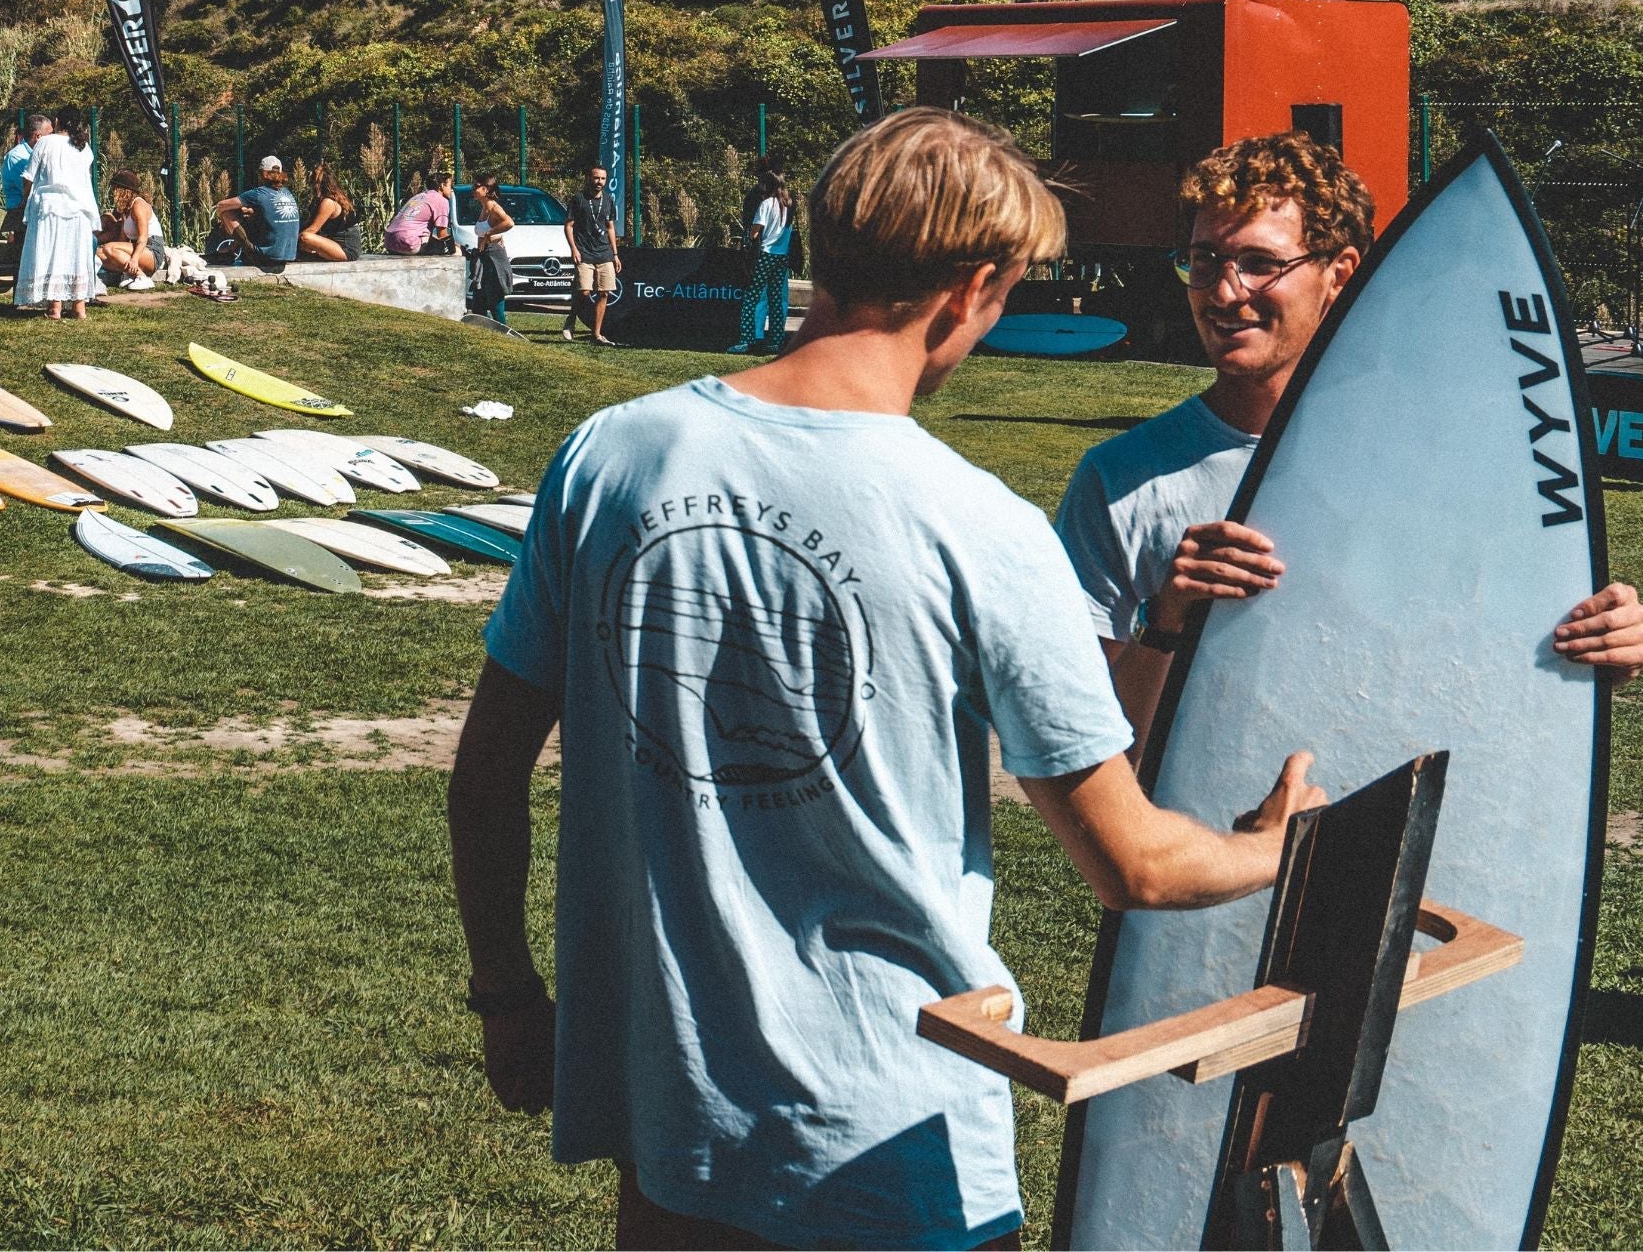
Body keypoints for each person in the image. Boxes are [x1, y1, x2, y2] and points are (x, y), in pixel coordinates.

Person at [448, 107, 1325, 1250]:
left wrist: (509, 998)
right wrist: (1276, 842)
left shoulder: (611, 452)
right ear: (970, 287)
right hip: (893, 1134)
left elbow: (483, 777)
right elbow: (1132, 863)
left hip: (672, 1124)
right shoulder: (977, 526)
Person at [1053, 131, 1643, 752]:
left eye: (1260, 264)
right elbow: (1082, 748)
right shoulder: (1120, 478)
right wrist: (1168, 621)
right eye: (1204, 261)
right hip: (1204, 843)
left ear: (1339, 274)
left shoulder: (1444, 461)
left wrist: (1600, 643)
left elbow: (1487, 666)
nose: (1225, 292)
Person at [15, 106, 99, 321]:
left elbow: (29, 177)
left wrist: (24, 201)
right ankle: (79, 308)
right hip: (78, 209)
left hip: (51, 208)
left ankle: (55, 308)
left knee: (53, 254)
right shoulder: (84, 147)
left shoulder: (46, 142)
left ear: (58, 120)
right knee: (75, 256)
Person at [727, 168, 792, 356]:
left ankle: (747, 339)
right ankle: (775, 341)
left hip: (765, 254)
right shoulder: (788, 204)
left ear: (767, 185)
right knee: (776, 299)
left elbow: (756, 230)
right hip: (782, 255)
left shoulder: (766, 204)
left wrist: (749, 237)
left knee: (752, 297)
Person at [562, 164, 623, 345]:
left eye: (603, 179)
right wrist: (574, 249)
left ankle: (596, 334)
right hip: (584, 252)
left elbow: (610, 227)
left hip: (604, 253)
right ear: (588, 178)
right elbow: (569, 226)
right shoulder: (578, 199)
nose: (599, 182)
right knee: (585, 291)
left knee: (604, 292)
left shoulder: (608, 199)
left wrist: (615, 253)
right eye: (596, 178)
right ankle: (571, 318)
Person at [216, 155, 300, 267]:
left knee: (227, 213)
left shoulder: (258, 193)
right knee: (250, 216)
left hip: (265, 258)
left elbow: (221, 205)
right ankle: (232, 249)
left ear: (263, 174)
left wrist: (222, 219)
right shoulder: (288, 193)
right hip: (288, 256)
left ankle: (239, 251)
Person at [97, 169, 162, 290]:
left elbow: (143, 237)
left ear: (123, 190)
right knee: (99, 254)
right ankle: (129, 274)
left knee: (109, 248)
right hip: (138, 248)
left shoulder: (138, 205)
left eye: (115, 188)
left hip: (151, 250)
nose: (113, 192)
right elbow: (123, 239)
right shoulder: (125, 209)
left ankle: (142, 277)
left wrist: (134, 260)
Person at [464, 172, 514, 326]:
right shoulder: (484, 208)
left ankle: (503, 332)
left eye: (476, 187)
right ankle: (483, 331)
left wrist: (489, 233)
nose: (473, 189)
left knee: (495, 300)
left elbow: (509, 223)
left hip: (494, 258)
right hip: (483, 256)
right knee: (479, 301)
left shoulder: (493, 207)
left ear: (486, 189)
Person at [296, 163, 360, 262]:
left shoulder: (328, 202)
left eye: (314, 182)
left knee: (306, 237)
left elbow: (313, 229)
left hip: (346, 250)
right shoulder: (329, 199)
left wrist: (289, 243)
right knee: (304, 240)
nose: (311, 186)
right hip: (334, 244)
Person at [382, 169, 454, 256]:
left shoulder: (419, 197)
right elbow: (442, 235)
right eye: (450, 186)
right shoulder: (441, 200)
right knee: (454, 250)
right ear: (442, 185)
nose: (452, 190)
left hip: (389, 241)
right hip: (408, 242)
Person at [0, 115, 49, 243]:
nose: (52, 139)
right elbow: (31, 188)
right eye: (49, 134)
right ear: (38, 136)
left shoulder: (38, 154)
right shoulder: (17, 157)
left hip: (35, 218)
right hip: (21, 221)